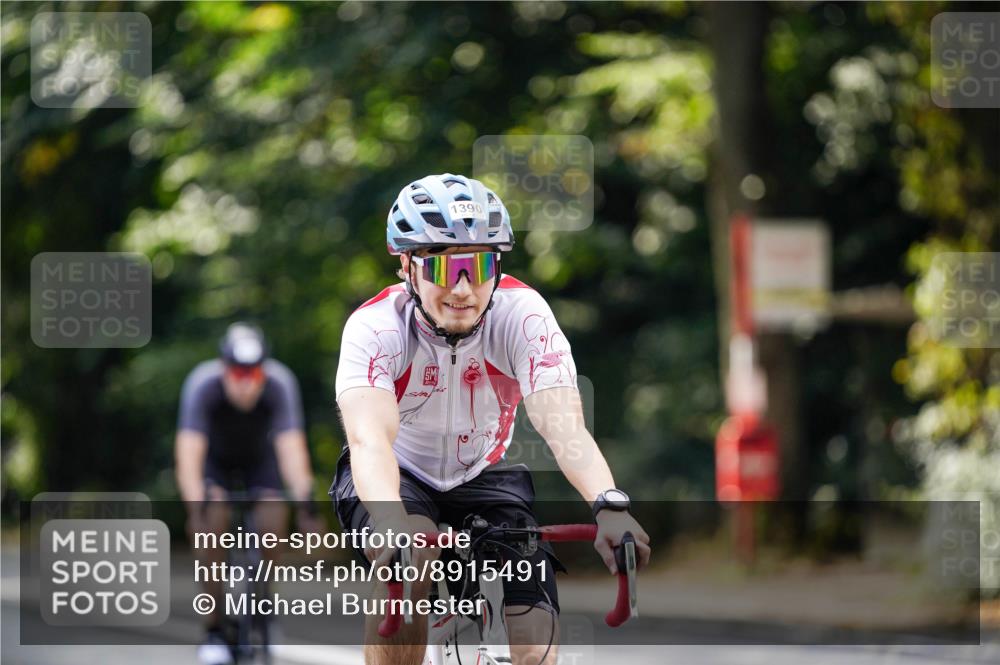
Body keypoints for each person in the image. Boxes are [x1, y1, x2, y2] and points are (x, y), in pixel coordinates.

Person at [330, 174, 651, 665]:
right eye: (444, 267)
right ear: (407, 267)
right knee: (408, 562)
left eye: (479, 265)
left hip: (486, 471)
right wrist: (391, 523)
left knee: (535, 635)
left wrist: (609, 505)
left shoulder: (522, 316)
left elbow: (563, 426)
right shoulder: (375, 328)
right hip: (399, 475)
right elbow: (369, 440)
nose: (463, 288)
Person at [175, 322, 320, 665]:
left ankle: (263, 601)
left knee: (273, 515)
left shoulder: (279, 384)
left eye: (252, 374)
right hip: (216, 466)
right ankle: (213, 629)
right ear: (224, 369)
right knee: (211, 522)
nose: (244, 384)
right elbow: (188, 455)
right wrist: (195, 510)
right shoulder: (203, 385)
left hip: (260, 463)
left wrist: (307, 508)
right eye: (237, 373)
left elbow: (292, 451)